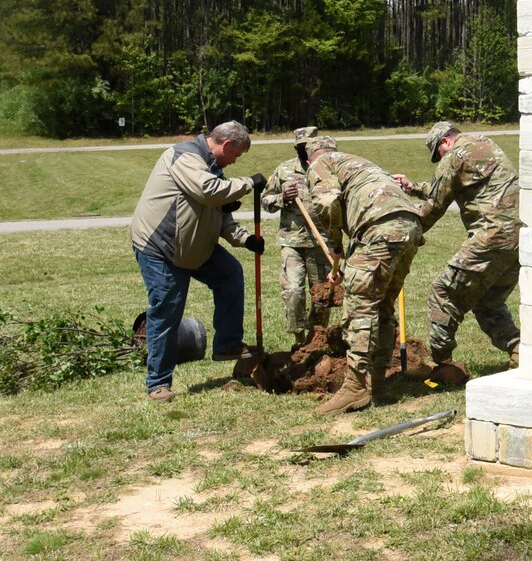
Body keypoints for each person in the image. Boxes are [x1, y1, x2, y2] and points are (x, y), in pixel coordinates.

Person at [129, 121, 267, 402]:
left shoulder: (213, 168)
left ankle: (227, 344)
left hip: (194, 247)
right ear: (226, 145)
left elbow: (219, 213)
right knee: (167, 310)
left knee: (229, 273)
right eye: (236, 155)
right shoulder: (185, 156)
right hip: (162, 249)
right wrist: (247, 183)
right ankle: (158, 383)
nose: (236, 160)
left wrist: (244, 239)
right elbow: (209, 191)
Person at [299, 135, 424, 415]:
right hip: (410, 226)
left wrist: (335, 245)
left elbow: (327, 202)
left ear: (309, 158)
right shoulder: (357, 162)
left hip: (378, 228)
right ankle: (377, 382)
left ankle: (355, 387)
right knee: (383, 305)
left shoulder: (319, 165)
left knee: (359, 307)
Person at [393, 121, 521, 382]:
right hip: (519, 238)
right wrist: (413, 186)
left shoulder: (453, 157)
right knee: (487, 301)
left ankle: (442, 364)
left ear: (444, 142)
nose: (439, 158)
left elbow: (435, 205)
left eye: (437, 154)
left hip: (491, 236)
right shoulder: (486, 145)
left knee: (443, 292)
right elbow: (449, 188)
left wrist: (408, 235)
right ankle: (519, 350)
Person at [260, 126, 342, 344]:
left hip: (321, 242)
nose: (305, 150)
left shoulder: (328, 169)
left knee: (322, 295)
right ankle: (298, 338)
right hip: (292, 242)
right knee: (294, 290)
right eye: (301, 147)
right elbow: (265, 201)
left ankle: (316, 340)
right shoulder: (285, 170)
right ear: (296, 147)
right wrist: (282, 197)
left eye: (308, 146)